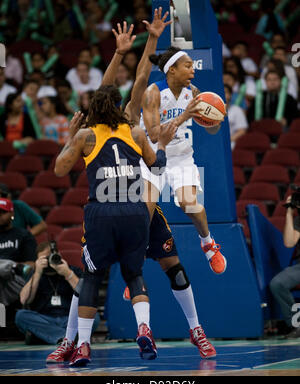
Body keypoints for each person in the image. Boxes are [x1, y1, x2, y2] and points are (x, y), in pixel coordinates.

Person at [47, 10, 217, 364]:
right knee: (99, 275)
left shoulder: (113, 125)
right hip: (129, 206)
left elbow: (133, 81)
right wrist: (139, 45)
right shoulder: (122, 123)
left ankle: (195, 330)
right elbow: (122, 86)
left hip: (132, 206)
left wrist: (139, 45)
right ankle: (70, 340)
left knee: (157, 268)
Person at [141, 47, 227, 277]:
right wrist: (184, 116)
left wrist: (215, 117)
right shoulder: (153, 93)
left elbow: (211, 130)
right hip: (152, 155)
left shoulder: (193, 91)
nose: (193, 70)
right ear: (172, 70)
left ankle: (208, 245)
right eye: (187, 66)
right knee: (144, 213)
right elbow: (154, 135)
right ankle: (134, 270)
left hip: (180, 156)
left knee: (191, 205)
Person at [15, 241, 98, 345]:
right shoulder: (36, 274)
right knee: (21, 316)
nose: (49, 261)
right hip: (44, 319)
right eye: (44, 259)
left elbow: (87, 297)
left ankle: (50, 337)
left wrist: (68, 274)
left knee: (93, 316)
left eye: (50, 257)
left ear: (58, 254)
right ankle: (66, 338)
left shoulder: (73, 270)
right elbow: (24, 300)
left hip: (70, 319)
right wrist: (37, 273)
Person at [270, 195, 300, 339]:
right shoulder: (298, 221)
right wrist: (289, 212)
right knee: (277, 283)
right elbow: (289, 242)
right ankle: (297, 325)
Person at [0, 198, 36, 316]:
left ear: (12, 214)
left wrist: (14, 267)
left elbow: (31, 265)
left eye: (3, 212)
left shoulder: (23, 235)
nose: (0, 216)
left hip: (16, 280)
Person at [224, 84, 248, 150]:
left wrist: (227, 141)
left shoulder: (237, 110)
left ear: (230, 95)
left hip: (231, 143)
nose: (222, 94)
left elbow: (242, 131)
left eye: (225, 92)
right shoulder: (210, 111)